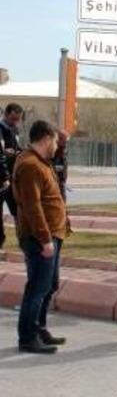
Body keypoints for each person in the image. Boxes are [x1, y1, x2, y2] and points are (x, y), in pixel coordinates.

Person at [14, 120, 67, 354]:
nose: (57, 145)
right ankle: (27, 337)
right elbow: (32, 207)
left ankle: (39, 328)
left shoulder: (40, 162)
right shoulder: (30, 165)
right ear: (46, 139)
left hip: (52, 234)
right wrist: (45, 239)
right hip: (40, 238)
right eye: (55, 141)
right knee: (37, 287)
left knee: (49, 285)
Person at [0, 103, 24, 249]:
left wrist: (21, 152)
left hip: (13, 176)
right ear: (6, 114)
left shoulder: (14, 129)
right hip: (2, 178)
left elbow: (16, 147)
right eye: (13, 118)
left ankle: (22, 240)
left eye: (18, 119)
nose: (15, 122)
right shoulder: (0, 128)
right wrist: (5, 178)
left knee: (17, 210)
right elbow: (1, 155)